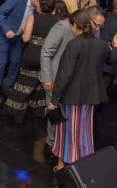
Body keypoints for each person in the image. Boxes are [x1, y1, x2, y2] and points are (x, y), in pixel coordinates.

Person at [49, 10, 117, 170]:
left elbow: (64, 75)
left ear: (76, 25)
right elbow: (113, 59)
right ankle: (83, 165)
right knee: (85, 132)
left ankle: (61, 166)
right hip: (91, 97)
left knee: (67, 132)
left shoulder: (74, 44)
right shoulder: (102, 45)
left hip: (71, 97)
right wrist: (115, 46)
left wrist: (54, 100)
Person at [3, 0, 58, 123]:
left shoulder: (33, 17)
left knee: (23, 84)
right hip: (46, 57)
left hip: (31, 55)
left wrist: (23, 29)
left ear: (41, 5)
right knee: (39, 85)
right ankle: (37, 112)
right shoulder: (57, 21)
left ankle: (14, 114)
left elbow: (26, 38)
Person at [0, 0, 40, 103]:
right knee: (2, 62)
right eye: (39, 2)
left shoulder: (36, 9)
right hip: (4, 34)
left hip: (17, 37)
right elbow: (0, 12)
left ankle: (7, 86)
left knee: (16, 61)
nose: (39, 5)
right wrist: (7, 30)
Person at [40, 4, 74, 152]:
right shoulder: (62, 27)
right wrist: (47, 78)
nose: (96, 29)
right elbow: (46, 52)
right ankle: (51, 144)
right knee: (54, 113)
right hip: (54, 78)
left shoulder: (88, 31)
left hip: (69, 80)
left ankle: (59, 144)